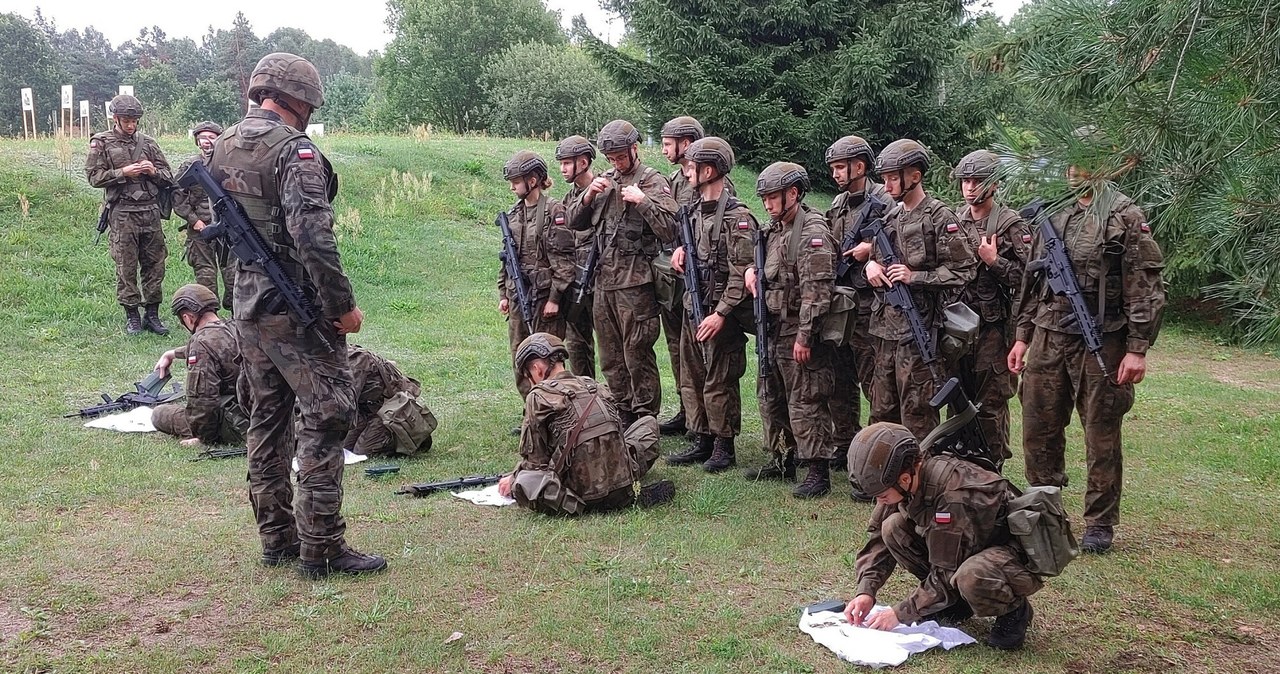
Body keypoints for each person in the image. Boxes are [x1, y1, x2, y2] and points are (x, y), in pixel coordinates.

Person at [211, 52, 384, 578]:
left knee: (266, 419)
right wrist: (342, 307)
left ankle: (277, 539)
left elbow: (209, 220)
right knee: (328, 415)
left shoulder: (220, 147)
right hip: (296, 308)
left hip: (247, 306)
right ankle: (323, 546)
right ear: (297, 99)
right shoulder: (294, 152)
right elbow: (312, 236)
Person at [1008, 140, 1166, 554]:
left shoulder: (1124, 215)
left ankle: (1099, 522)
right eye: (1069, 161)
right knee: (1037, 428)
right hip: (1047, 334)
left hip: (1104, 336)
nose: (1074, 170)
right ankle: (1044, 510)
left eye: (1084, 161)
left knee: (1101, 432)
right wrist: (1022, 335)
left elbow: (1145, 283)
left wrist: (1137, 347)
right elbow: (1033, 279)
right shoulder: (1052, 210)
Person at [845, 423, 1043, 651]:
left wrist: (901, 613)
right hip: (967, 547)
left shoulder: (953, 496)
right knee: (893, 528)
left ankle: (1014, 611)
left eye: (882, 495)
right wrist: (866, 591)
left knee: (972, 576)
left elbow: (946, 570)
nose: (880, 501)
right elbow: (879, 539)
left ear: (905, 479)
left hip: (1011, 557)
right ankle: (957, 603)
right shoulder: (904, 479)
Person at [565, 120, 679, 425]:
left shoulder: (652, 180)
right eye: (611, 158)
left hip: (636, 284)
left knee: (636, 354)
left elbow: (671, 229)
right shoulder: (604, 179)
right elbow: (574, 221)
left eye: (620, 156)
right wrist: (588, 195)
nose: (616, 162)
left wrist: (643, 203)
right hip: (604, 283)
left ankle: (645, 417)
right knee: (611, 357)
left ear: (634, 149)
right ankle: (623, 411)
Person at [865, 139, 978, 441]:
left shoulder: (940, 218)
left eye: (892, 177)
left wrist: (916, 277)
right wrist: (870, 268)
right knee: (881, 410)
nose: (886, 185)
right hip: (886, 331)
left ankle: (919, 481)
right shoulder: (890, 218)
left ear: (914, 176)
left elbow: (964, 269)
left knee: (918, 413)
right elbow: (874, 258)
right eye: (884, 178)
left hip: (922, 333)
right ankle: (882, 480)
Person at [496, 333, 672, 515]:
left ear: (537, 369)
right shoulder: (593, 385)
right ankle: (627, 496)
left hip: (579, 492)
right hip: (622, 481)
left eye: (528, 375)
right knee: (648, 424)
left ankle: (578, 506)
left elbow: (535, 462)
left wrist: (514, 478)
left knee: (525, 481)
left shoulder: (538, 397)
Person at [743, 162, 837, 498]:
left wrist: (804, 336)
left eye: (772, 197)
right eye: (764, 198)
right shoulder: (774, 230)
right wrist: (753, 275)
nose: (767, 204)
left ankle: (817, 469)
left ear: (793, 194)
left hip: (797, 329)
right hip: (773, 327)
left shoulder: (811, 231)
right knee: (771, 395)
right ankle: (782, 457)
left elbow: (818, 290)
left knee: (806, 400)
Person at [663, 138, 757, 472]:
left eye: (693, 167)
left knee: (719, 379)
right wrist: (679, 251)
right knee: (692, 373)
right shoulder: (691, 211)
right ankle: (701, 435)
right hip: (693, 304)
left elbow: (741, 272)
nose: (687, 172)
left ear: (709, 171)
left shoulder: (738, 218)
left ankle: (723, 444)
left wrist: (720, 314)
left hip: (722, 313)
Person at [952, 150, 1031, 463]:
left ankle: (990, 467)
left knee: (990, 401)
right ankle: (959, 465)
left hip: (993, 329)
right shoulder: (954, 221)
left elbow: (1031, 278)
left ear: (994, 184)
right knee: (958, 398)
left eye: (978, 180)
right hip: (958, 327)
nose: (970, 187)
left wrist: (994, 261)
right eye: (966, 181)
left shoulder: (1011, 224)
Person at [824, 135, 891, 497]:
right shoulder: (837, 203)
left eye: (840, 167)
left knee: (874, 383)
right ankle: (845, 444)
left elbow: (904, 238)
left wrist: (873, 248)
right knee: (839, 379)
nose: (835, 174)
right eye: (833, 168)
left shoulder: (884, 201)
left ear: (860, 167)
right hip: (841, 304)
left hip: (872, 307)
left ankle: (874, 458)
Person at [85, 94, 174, 335]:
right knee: (126, 265)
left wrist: (153, 171)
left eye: (134, 120)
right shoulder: (101, 143)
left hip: (150, 212)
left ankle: (152, 314)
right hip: (123, 213)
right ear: (115, 118)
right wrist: (123, 172)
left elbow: (169, 177)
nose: (131, 125)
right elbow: (94, 177)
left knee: (155, 264)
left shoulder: (148, 143)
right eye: (126, 120)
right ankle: (132, 315)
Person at [499, 150, 577, 396]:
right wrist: (503, 292)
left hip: (544, 299)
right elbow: (506, 258)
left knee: (547, 355)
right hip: (517, 296)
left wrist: (555, 298)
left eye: (516, 182)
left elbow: (565, 260)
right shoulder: (513, 215)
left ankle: (555, 404)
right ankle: (532, 408)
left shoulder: (553, 210)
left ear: (532, 181)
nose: (512, 188)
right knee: (520, 354)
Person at [655, 116, 706, 436]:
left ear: (685, 143)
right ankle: (687, 409)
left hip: (697, 279)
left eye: (667, 143)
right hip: (672, 279)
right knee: (676, 347)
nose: (663, 150)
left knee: (694, 353)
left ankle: (701, 419)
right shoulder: (674, 179)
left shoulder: (709, 177)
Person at [151, 284, 247, 446]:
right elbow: (219, 347)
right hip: (259, 411)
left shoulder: (201, 343)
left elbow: (203, 401)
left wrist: (203, 437)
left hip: (234, 421)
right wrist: (173, 353)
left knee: (159, 414)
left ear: (188, 318)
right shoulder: (235, 327)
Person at [173, 121, 236, 310]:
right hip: (201, 230)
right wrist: (195, 221)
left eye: (211, 137)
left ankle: (236, 314)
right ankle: (209, 315)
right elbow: (177, 196)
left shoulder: (229, 164)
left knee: (233, 274)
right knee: (205, 275)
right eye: (202, 138)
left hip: (229, 229)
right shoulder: (191, 165)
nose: (206, 142)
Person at [554, 135, 599, 377]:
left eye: (567, 163)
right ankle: (585, 397)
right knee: (577, 344)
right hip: (578, 282)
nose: (562, 169)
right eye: (561, 163)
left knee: (613, 347)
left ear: (583, 163)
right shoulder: (568, 198)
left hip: (604, 280)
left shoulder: (604, 188)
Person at [343, 345, 437, 457]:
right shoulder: (330, 361)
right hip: (367, 409)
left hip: (390, 411)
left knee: (362, 451)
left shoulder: (355, 361)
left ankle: (412, 436)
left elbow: (343, 404)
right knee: (344, 448)